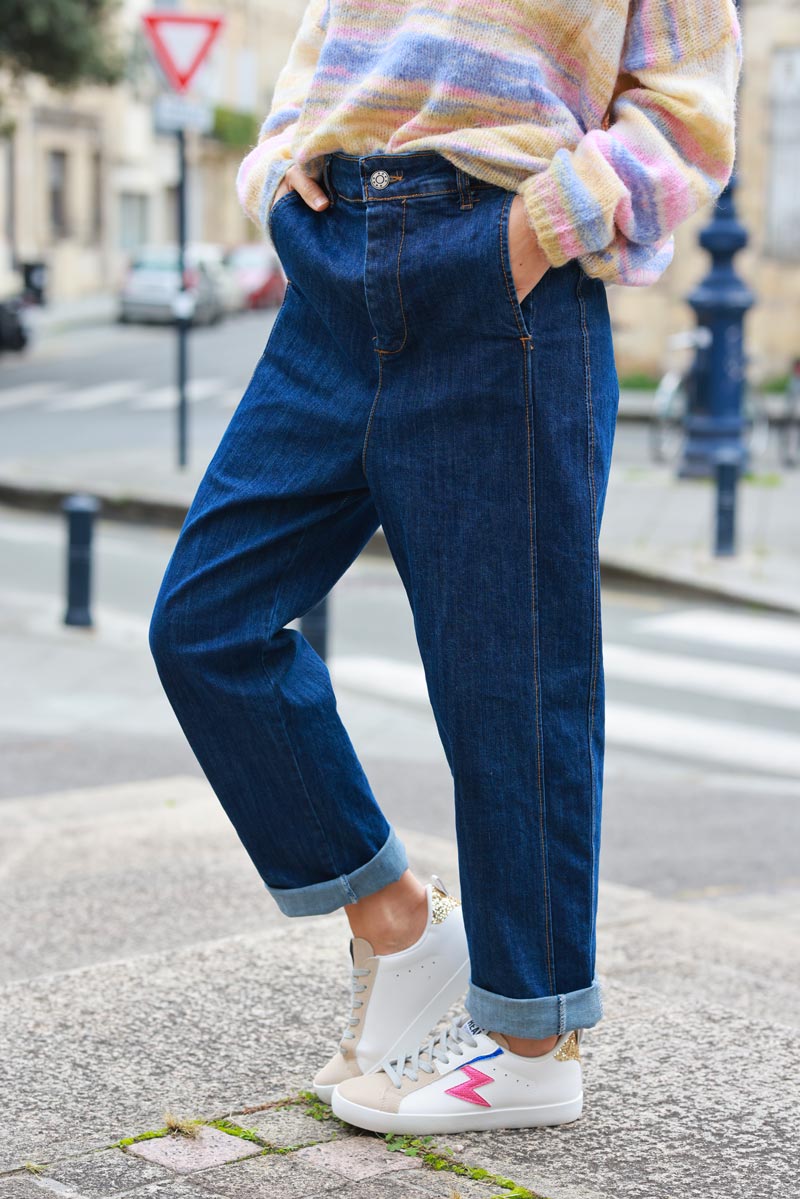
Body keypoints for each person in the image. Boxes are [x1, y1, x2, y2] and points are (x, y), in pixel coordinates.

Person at [149, 0, 742, 1135]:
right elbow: (321, 54)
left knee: (508, 681)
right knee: (205, 621)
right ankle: (402, 927)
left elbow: (687, 114)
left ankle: (531, 1036)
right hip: (332, 270)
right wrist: (277, 171)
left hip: (499, 273)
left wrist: (528, 232)